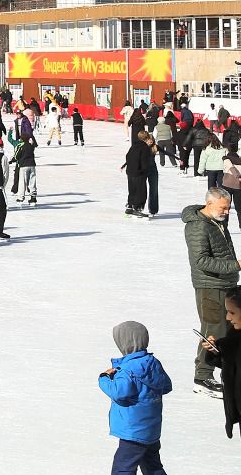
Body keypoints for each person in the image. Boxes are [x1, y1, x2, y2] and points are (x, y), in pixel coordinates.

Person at [185, 187, 239, 398]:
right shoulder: (198, 227)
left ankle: (220, 370)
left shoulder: (217, 221)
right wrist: (235, 265)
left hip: (225, 284)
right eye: (223, 208)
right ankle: (202, 377)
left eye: (228, 208)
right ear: (209, 204)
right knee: (212, 330)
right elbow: (201, 261)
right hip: (210, 286)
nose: (226, 212)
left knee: (225, 329)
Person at [98, 320, 172, 475]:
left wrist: (104, 378)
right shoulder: (153, 363)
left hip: (132, 432)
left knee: (123, 469)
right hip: (151, 430)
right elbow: (166, 386)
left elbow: (119, 392)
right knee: (153, 467)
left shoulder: (126, 370)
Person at [199, 288, 241, 438]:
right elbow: (231, 362)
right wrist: (215, 350)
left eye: (232, 312)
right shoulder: (235, 334)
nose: (228, 317)